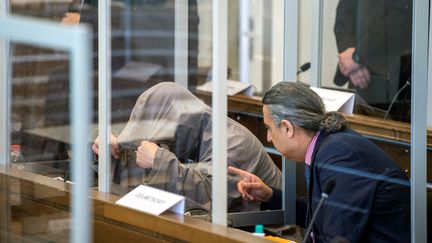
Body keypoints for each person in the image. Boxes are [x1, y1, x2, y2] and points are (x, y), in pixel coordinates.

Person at [228, 82, 410, 242]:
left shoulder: (339, 155)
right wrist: (269, 195)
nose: (268, 137)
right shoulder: (327, 146)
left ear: (287, 127)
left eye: (269, 128)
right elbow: (321, 214)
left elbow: (338, 235)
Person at [92, 82, 282, 212]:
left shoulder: (233, 141)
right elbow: (140, 175)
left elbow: (209, 197)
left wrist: (158, 159)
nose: (157, 144)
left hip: (272, 229)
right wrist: (109, 151)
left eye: (159, 137)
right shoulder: (192, 132)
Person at [333, 0, 412, 122]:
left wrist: (357, 55)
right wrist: (350, 56)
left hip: (396, 79)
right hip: (359, 77)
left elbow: (400, 18)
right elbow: (344, 18)